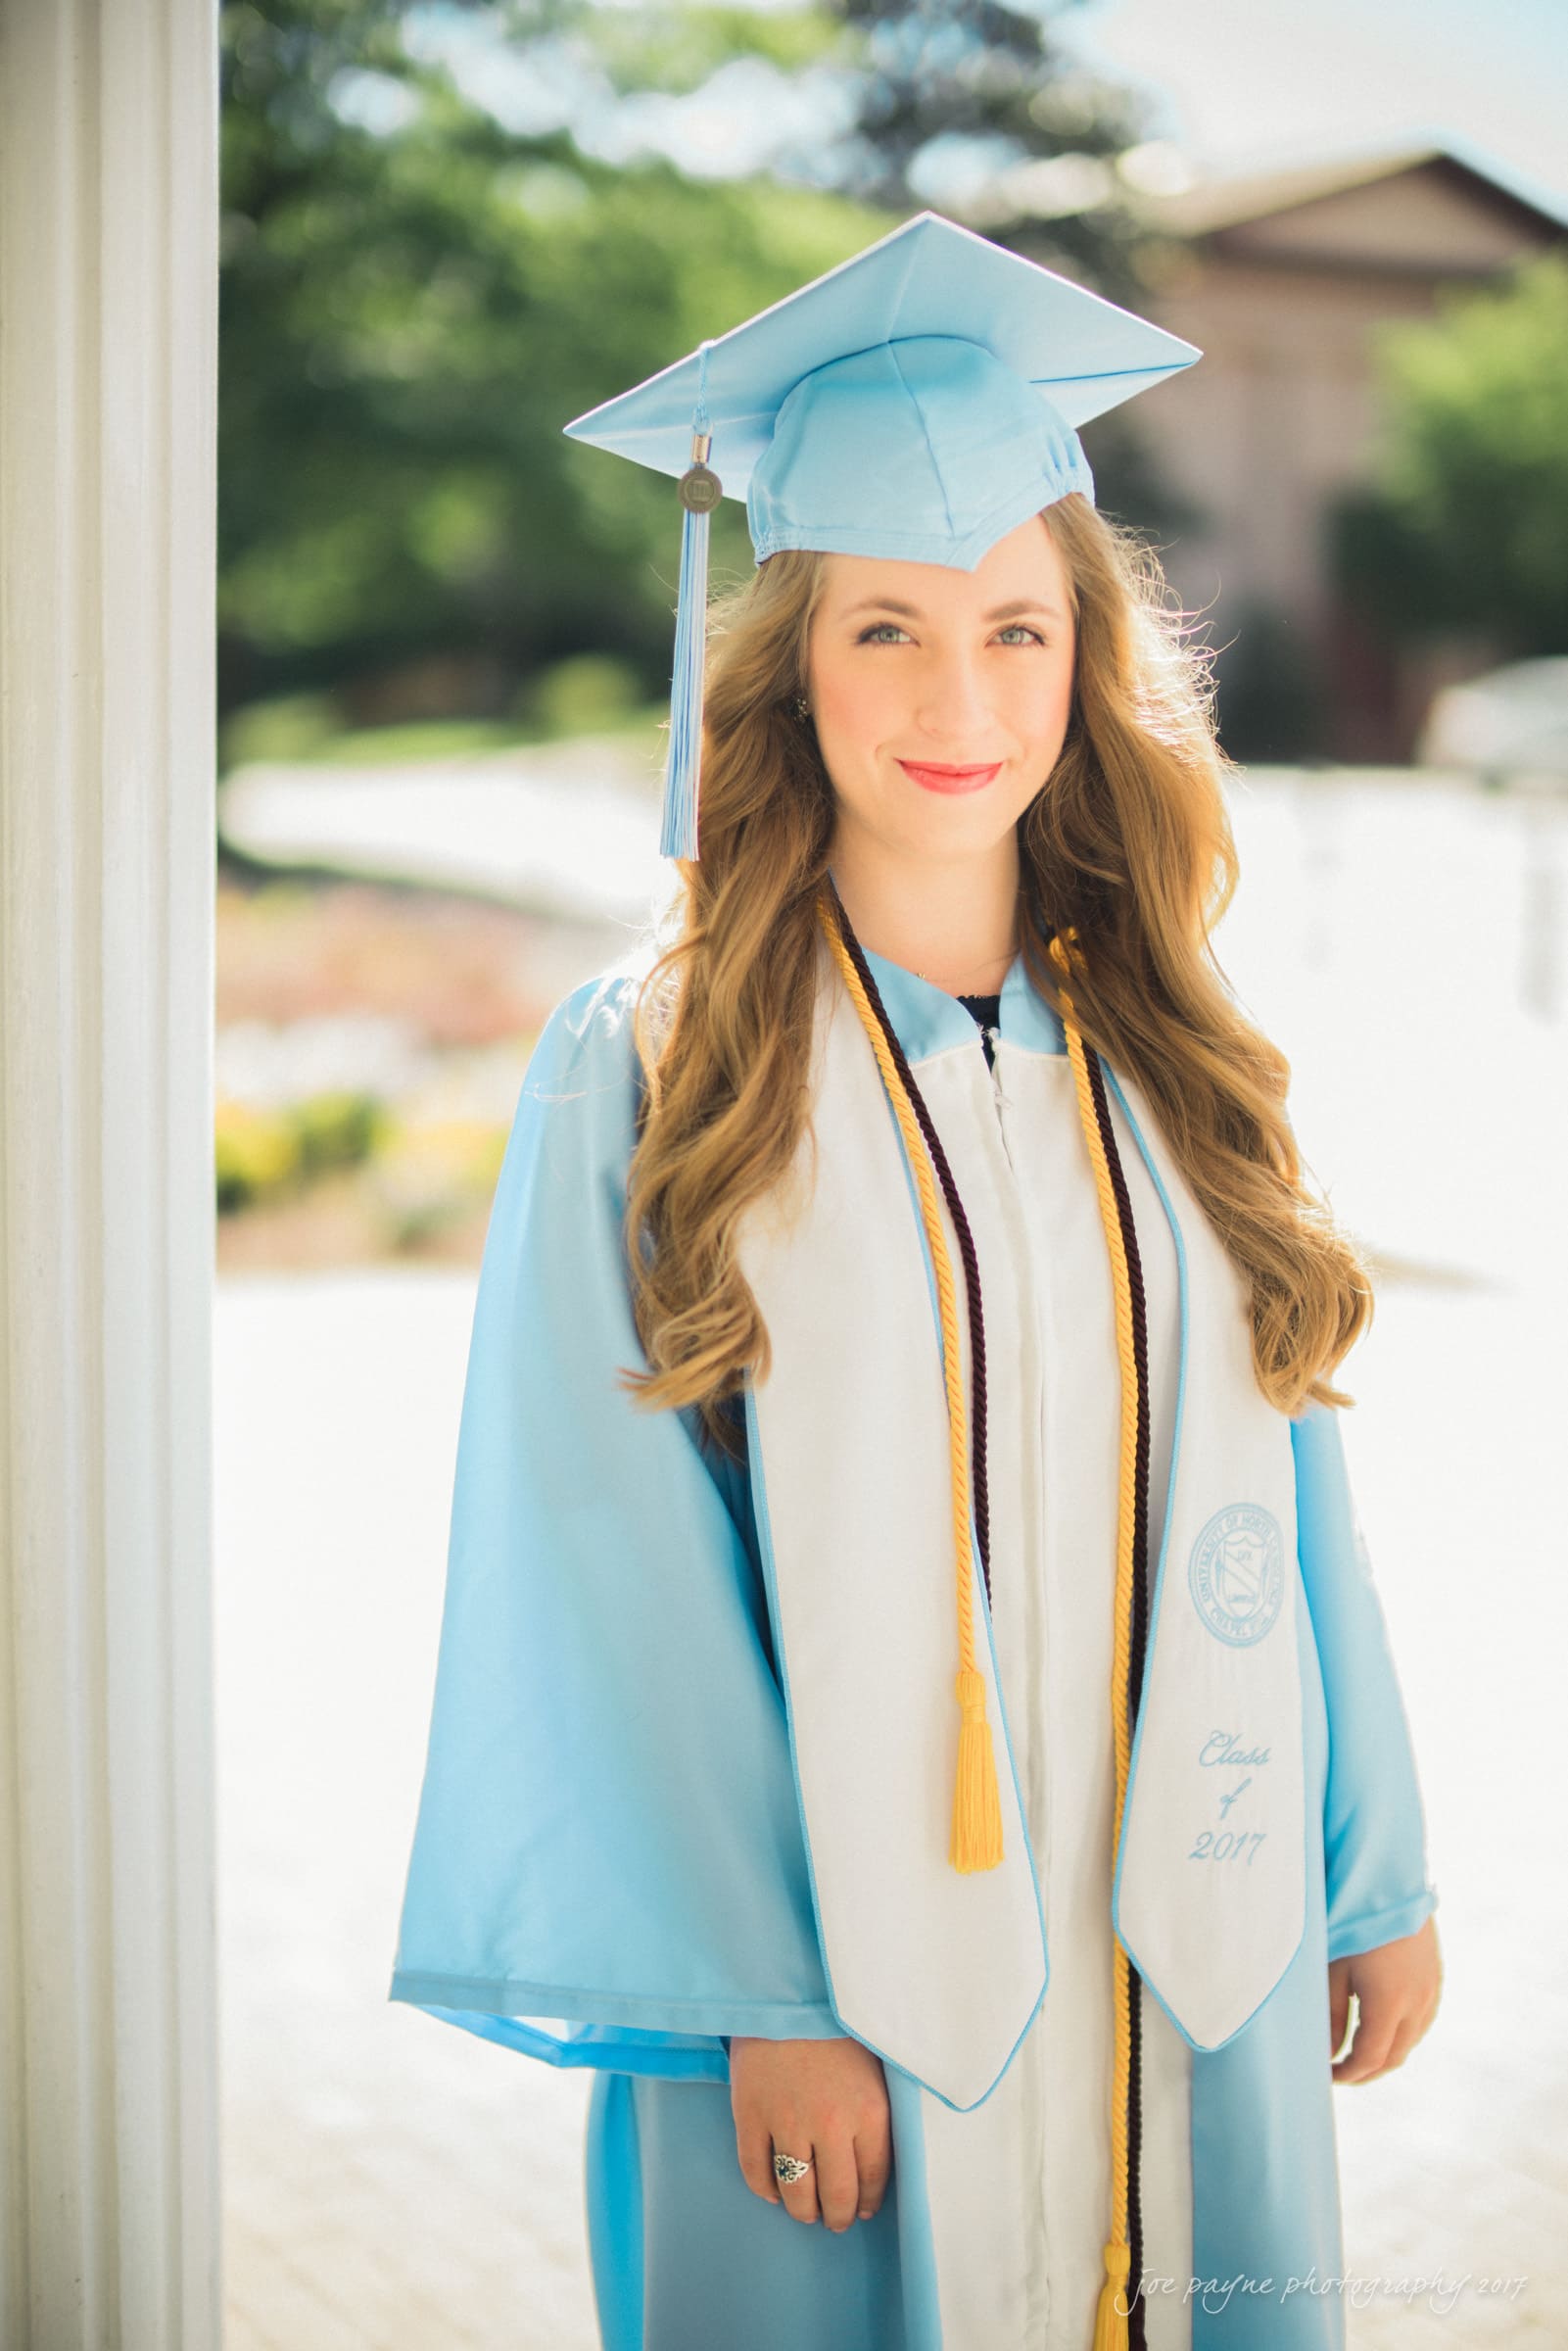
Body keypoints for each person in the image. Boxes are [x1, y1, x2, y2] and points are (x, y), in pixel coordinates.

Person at [388, 213, 1443, 2351]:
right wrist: (763, 2001)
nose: (961, 701)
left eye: (1017, 633)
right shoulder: (666, 1059)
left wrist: (1368, 1866)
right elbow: (613, 1575)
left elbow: (1292, 1485)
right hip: (842, 2003)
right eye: (885, 630)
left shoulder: (1167, 1041)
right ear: (784, 658)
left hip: (1190, 1957)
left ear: (1090, 655)